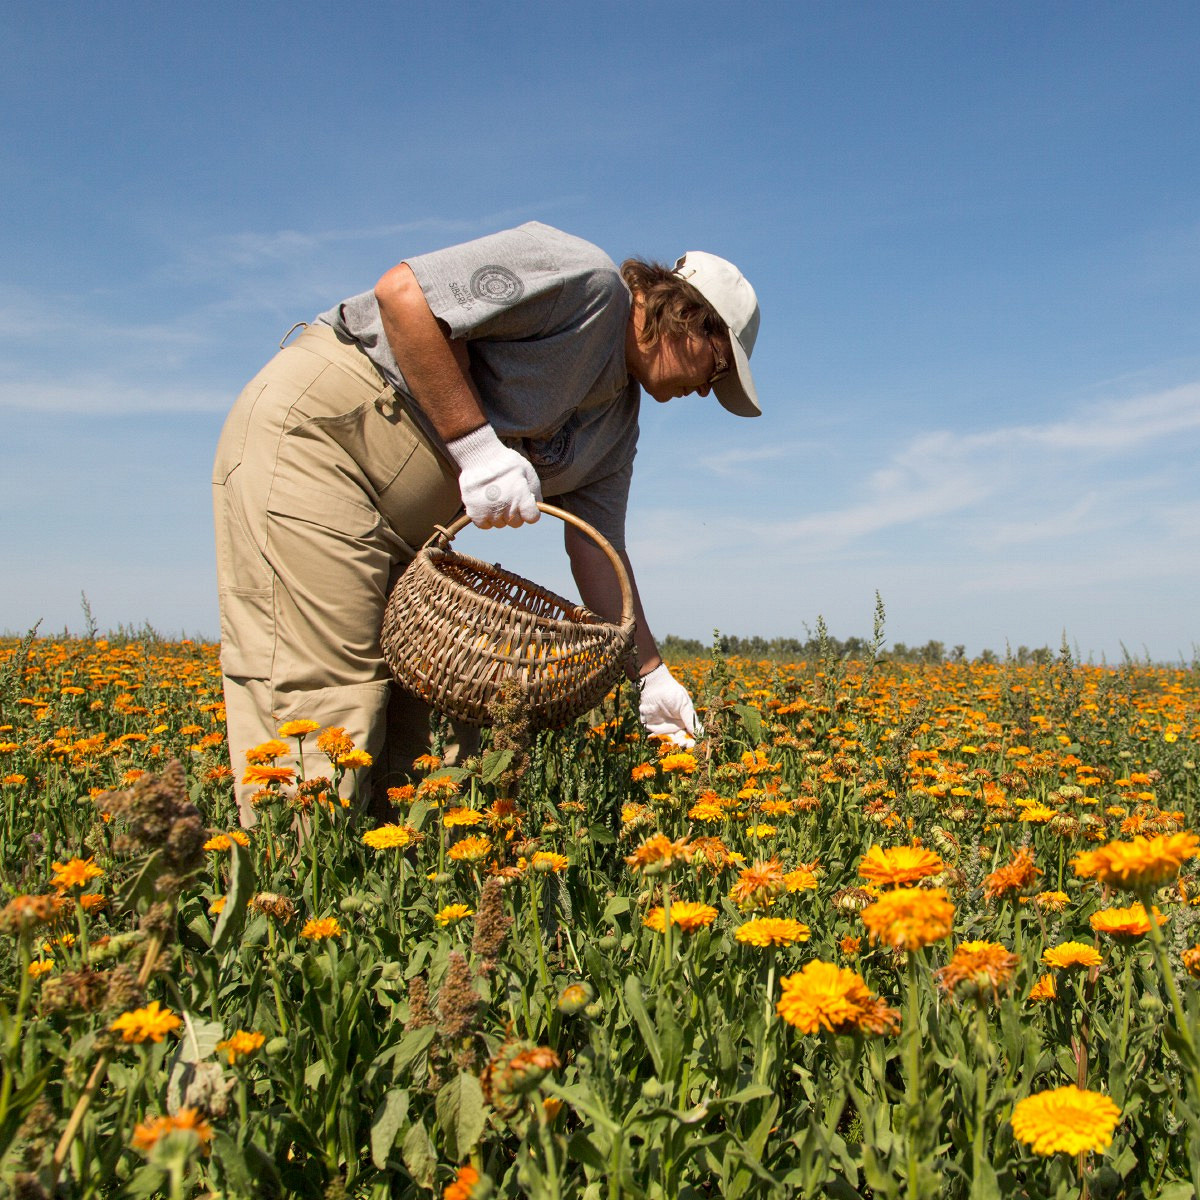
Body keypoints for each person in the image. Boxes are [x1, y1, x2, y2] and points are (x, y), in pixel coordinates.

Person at [213, 221, 761, 825]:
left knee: (422, 717)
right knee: (328, 694)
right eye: (718, 370)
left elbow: (597, 549)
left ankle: (388, 896)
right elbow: (405, 298)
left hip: (412, 531)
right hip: (329, 445)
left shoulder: (617, 424)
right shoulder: (588, 285)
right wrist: (474, 446)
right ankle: (295, 882)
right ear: (690, 318)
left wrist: (650, 676)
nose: (709, 393)